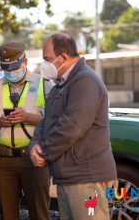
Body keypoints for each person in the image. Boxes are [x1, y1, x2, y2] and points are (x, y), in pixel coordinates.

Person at [29, 33, 117, 220]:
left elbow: (72, 126)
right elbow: (45, 121)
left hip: (87, 178)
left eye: (47, 59)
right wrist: (34, 144)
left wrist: (44, 152)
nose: (44, 65)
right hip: (70, 176)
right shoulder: (59, 86)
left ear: (63, 57)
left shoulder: (86, 81)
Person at [0, 42, 51, 220]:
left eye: (15, 67)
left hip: (35, 160)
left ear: (26, 61)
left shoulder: (44, 85)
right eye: (7, 69)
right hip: (4, 162)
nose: (11, 73)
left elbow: (56, 121)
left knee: (39, 213)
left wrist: (28, 117)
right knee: (7, 214)